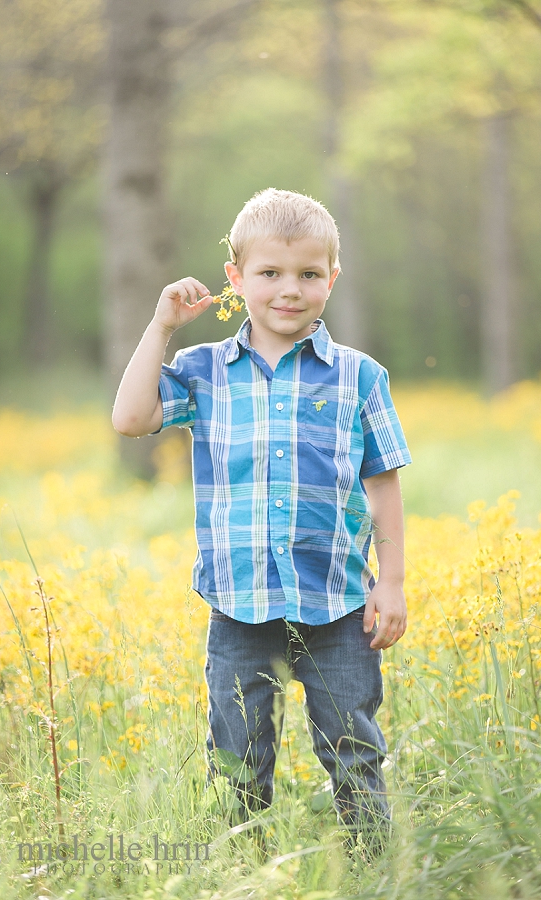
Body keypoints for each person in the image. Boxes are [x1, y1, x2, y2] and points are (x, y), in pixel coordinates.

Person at [112, 188, 411, 838]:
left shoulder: (359, 377)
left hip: (337, 606)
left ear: (332, 277)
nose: (289, 289)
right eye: (270, 273)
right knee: (239, 760)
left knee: (354, 750)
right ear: (236, 279)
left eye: (308, 274)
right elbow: (130, 419)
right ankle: (242, 866)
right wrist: (161, 326)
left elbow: (383, 482)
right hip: (240, 607)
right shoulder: (204, 370)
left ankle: (373, 863)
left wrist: (391, 582)